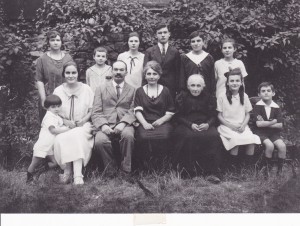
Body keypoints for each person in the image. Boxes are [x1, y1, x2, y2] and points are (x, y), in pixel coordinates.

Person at [173, 74, 222, 182]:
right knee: (189, 136)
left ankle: (211, 173)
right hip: (186, 124)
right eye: (193, 85)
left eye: (198, 86)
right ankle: (190, 173)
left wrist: (208, 124)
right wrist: (190, 125)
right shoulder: (182, 96)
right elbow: (178, 116)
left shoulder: (209, 97)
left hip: (205, 124)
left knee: (213, 135)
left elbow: (214, 115)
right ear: (188, 86)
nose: (195, 89)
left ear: (203, 86)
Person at [92, 60, 136, 176]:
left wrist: (124, 123)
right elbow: (96, 111)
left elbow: (133, 110)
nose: (118, 72)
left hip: (125, 123)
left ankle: (126, 169)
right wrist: (103, 125)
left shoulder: (133, 89)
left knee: (128, 136)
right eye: (115, 69)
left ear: (126, 72)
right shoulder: (100, 89)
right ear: (111, 71)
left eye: (121, 70)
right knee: (100, 141)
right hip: (106, 123)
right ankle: (110, 170)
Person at [53, 62, 94, 185]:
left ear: (78, 74)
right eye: (68, 73)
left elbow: (92, 110)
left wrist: (83, 120)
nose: (71, 75)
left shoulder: (86, 89)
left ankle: (77, 175)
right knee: (61, 138)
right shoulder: (58, 90)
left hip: (83, 125)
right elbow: (53, 111)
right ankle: (67, 171)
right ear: (64, 74)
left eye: (73, 73)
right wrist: (65, 121)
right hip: (63, 125)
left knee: (76, 136)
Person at [134, 61, 175, 169]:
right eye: (149, 74)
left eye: (154, 74)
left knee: (165, 136)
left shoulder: (165, 90)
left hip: (162, 123)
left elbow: (170, 111)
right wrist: (144, 123)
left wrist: (161, 121)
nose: (151, 77)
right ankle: (145, 167)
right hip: (145, 122)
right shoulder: (139, 91)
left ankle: (163, 166)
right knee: (142, 137)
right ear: (145, 75)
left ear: (159, 75)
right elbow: (137, 110)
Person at [217, 68, 260, 167]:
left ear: (241, 83)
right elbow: (219, 115)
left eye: (237, 80)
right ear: (227, 83)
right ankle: (233, 168)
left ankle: (248, 168)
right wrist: (231, 126)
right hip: (227, 127)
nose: (234, 83)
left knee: (251, 139)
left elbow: (248, 114)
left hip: (242, 126)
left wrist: (244, 125)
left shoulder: (244, 96)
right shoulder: (222, 96)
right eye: (231, 81)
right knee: (235, 140)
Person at [27, 95, 70, 183]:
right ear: (47, 108)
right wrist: (66, 129)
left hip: (50, 146)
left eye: (58, 106)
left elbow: (61, 122)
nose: (56, 108)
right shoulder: (49, 117)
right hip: (43, 145)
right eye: (53, 107)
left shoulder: (55, 115)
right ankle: (29, 179)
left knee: (55, 163)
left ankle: (38, 173)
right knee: (34, 163)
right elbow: (53, 130)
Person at [35, 30, 74, 121]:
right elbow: (39, 80)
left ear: (61, 42)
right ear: (48, 42)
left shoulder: (68, 58)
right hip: (49, 95)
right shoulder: (42, 59)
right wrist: (44, 99)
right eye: (52, 40)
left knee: (65, 123)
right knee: (49, 124)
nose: (55, 42)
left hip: (65, 96)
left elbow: (72, 77)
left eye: (58, 40)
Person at [253, 82, 286, 176]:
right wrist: (272, 122)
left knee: (282, 146)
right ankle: (266, 170)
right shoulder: (257, 106)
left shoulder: (276, 107)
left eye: (268, 91)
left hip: (273, 133)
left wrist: (266, 123)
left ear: (273, 93)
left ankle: (279, 171)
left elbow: (280, 125)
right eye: (263, 91)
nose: (266, 93)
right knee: (270, 145)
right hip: (260, 132)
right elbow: (259, 124)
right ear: (259, 94)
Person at [143, 23, 181, 98]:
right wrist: (144, 89)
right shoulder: (149, 52)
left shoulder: (175, 52)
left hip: (171, 89)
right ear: (156, 35)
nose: (163, 35)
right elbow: (145, 72)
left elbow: (178, 73)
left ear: (169, 34)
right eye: (160, 33)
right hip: (153, 87)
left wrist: (178, 91)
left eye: (165, 32)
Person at [179, 31, 215, 95]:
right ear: (190, 43)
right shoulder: (185, 58)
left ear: (203, 42)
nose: (196, 43)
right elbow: (182, 78)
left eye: (198, 41)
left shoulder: (209, 58)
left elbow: (212, 78)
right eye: (193, 41)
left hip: (206, 94)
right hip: (189, 94)